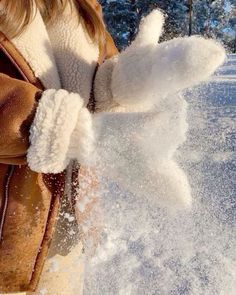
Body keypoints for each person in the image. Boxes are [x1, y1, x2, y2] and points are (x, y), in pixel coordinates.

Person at [0, 0, 225, 294]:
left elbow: (91, 81)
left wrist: (121, 82)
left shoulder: (79, 5)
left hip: (63, 230)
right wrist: (61, 128)